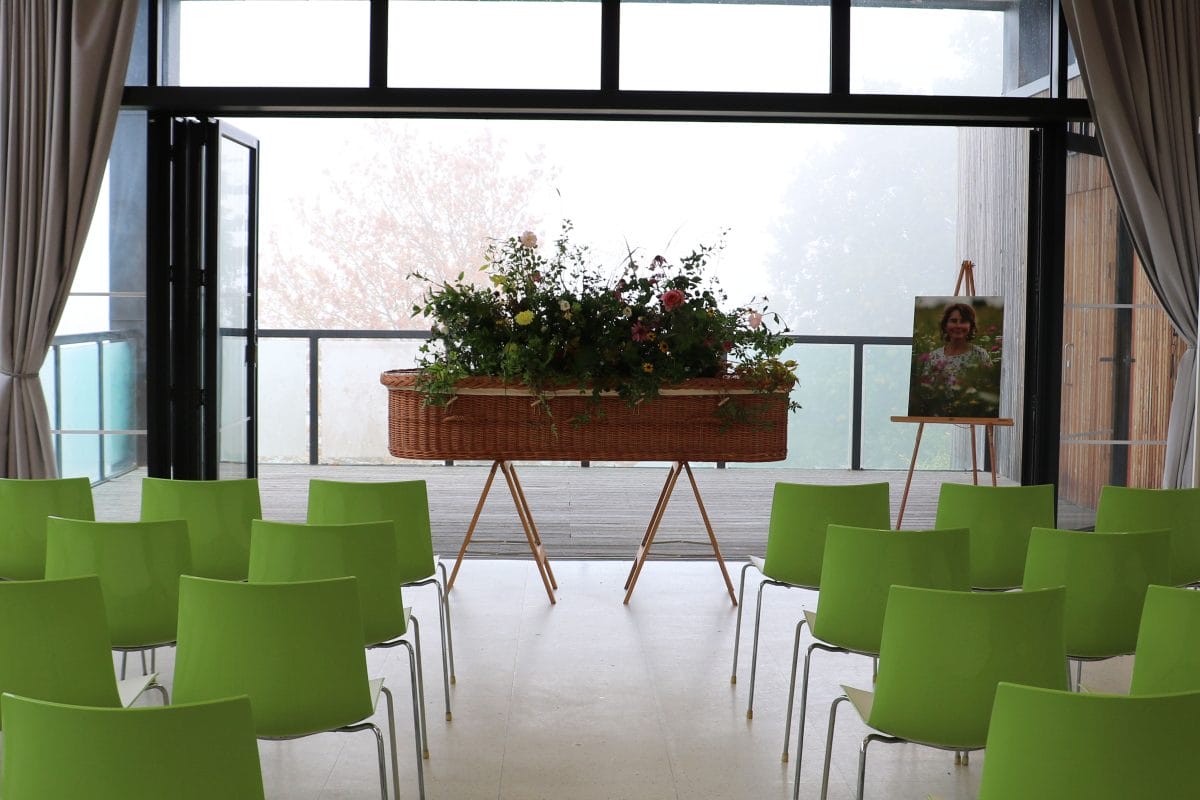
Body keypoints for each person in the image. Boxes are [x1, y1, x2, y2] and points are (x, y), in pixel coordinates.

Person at [919, 302, 992, 390]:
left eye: (963, 321)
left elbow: (989, 387)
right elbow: (925, 388)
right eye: (953, 321)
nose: (958, 325)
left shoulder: (980, 354)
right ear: (945, 325)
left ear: (971, 326)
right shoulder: (933, 356)